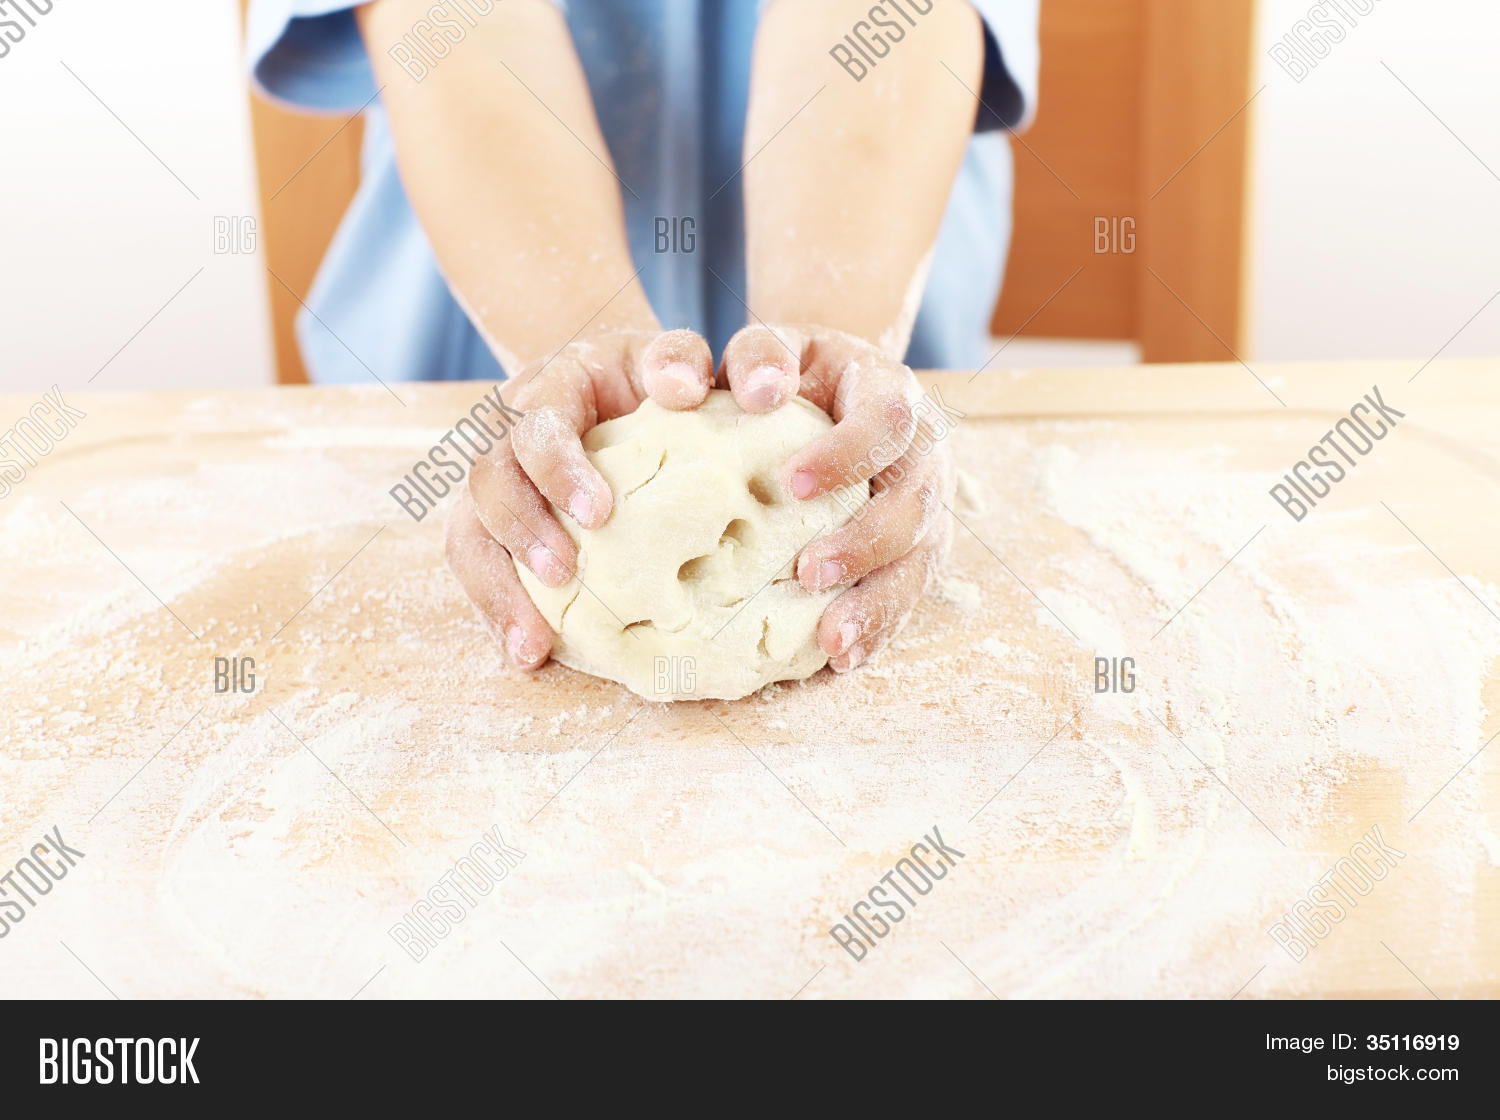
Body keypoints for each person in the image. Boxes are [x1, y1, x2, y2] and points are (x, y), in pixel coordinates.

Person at [248, 0, 1037, 674]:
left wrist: (826, 353)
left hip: (867, 240)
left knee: (849, 482)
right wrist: (571, 357)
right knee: (547, 479)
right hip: (489, 292)